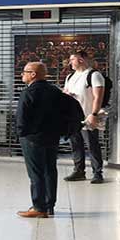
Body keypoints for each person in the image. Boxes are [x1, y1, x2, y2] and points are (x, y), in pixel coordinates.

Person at [16, 62, 62, 218]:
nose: (22, 74)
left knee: (36, 173)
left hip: (32, 139)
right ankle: (49, 206)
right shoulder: (55, 91)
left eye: (25, 72)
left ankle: (38, 206)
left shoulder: (28, 93)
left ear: (33, 74)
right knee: (50, 170)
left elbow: (21, 118)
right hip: (52, 137)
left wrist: (22, 134)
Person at [62, 50, 106, 184]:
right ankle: (79, 170)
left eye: (72, 60)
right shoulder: (70, 77)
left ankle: (97, 173)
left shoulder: (94, 75)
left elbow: (98, 97)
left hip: (88, 116)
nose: (70, 63)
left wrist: (93, 114)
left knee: (92, 145)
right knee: (75, 144)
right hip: (73, 117)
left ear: (81, 59)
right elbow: (65, 92)